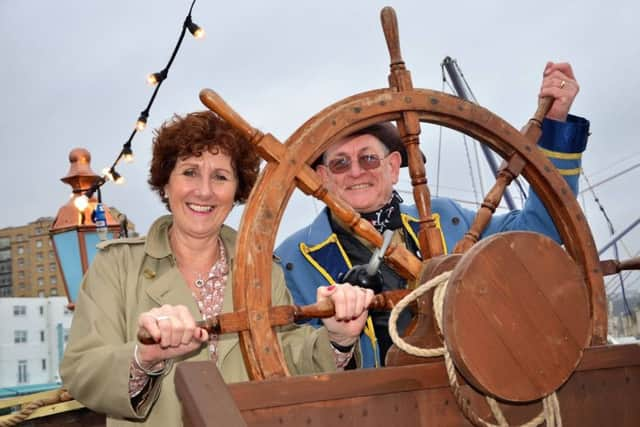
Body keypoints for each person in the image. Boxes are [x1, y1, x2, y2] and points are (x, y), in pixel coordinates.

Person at [60, 111, 375, 427]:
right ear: (165, 184)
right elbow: (81, 369)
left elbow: (286, 357)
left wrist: (337, 339)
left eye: (221, 177)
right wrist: (145, 358)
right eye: (190, 172)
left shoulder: (263, 270)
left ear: (236, 191)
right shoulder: (116, 266)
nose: (205, 191)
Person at [275, 61, 590, 368]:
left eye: (368, 158)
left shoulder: (447, 219)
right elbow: (284, 357)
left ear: (394, 166)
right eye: (340, 163)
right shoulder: (291, 260)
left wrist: (556, 126)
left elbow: (543, 229)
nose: (356, 172)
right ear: (322, 177)